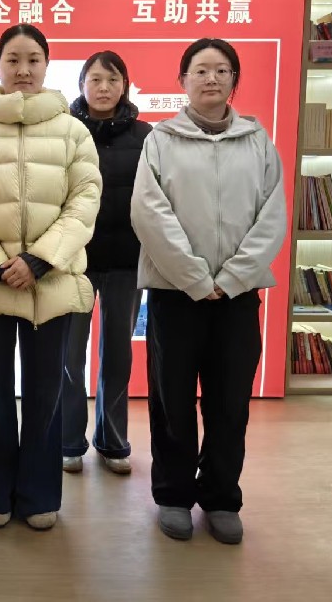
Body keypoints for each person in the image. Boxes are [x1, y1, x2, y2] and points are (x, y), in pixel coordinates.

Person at [0, 24, 101, 531]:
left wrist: (39, 261)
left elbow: (85, 202)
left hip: (50, 283)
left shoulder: (74, 132)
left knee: (45, 393)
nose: (23, 69)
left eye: (33, 59)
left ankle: (38, 494)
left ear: (48, 66)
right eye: (13, 59)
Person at [130, 38, 286, 545]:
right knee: (172, 401)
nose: (211, 78)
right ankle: (174, 494)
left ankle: (221, 496)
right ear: (183, 80)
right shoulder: (161, 140)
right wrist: (196, 278)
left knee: (229, 403)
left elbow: (272, 217)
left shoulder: (258, 142)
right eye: (200, 70)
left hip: (237, 298)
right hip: (176, 294)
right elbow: (149, 213)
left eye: (222, 70)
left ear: (234, 80)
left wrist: (233, 278)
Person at [61, 51, 152, 476]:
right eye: (95, 79)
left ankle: (113, 441)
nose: (103, 87)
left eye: (112, 80)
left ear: (124, 86)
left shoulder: (146, 136)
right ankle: (69, 442)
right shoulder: (65, 131)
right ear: (82, 84)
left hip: (126, 263)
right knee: (69, 356)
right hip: (72, 262)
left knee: (118, 356)